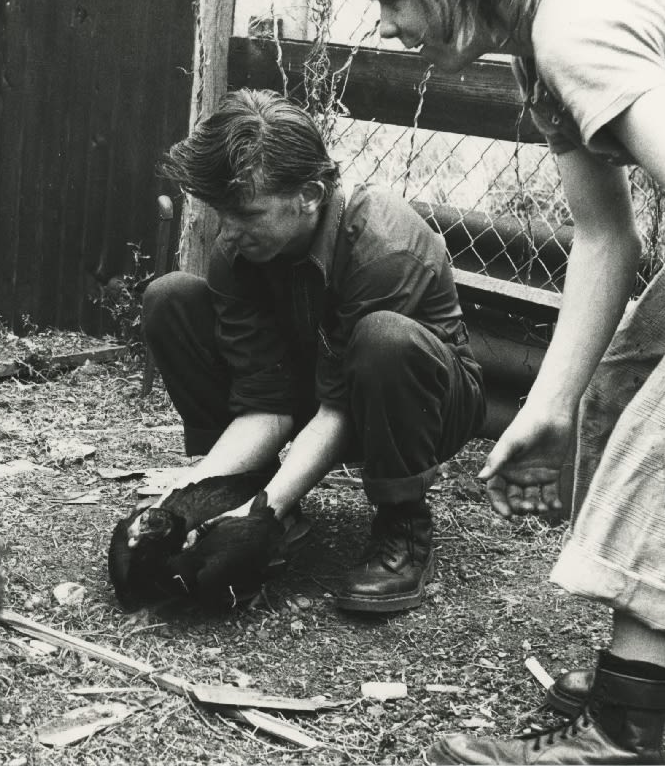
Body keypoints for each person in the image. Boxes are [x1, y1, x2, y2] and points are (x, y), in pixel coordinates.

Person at [345, 0, 665, 764]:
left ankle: (625, 729)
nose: (389, 24)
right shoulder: (548, 42)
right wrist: (551, 405)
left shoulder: (576, 24)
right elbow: (604, 239)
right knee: (623, 395)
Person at [141, 88, 486, 611]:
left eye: (247, 213)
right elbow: (264, 401)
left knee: (384, 339)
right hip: (317, 384)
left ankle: (403, 525)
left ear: (309, 194)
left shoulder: (384, 243)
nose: (228, 232)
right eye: (219, 213)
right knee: (171, 298)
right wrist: (185, 501)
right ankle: (234, 498)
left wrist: (269, 509)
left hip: (417, 402)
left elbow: (341, 407)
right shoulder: (239, 246)